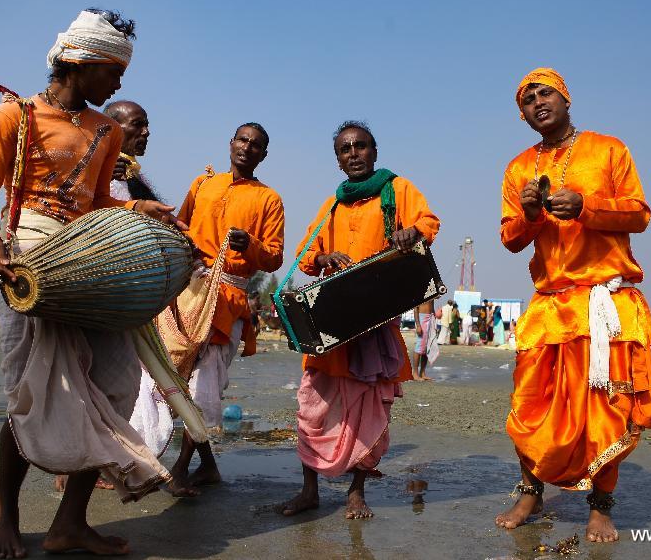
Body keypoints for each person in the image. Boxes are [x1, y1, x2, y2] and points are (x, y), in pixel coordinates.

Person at [0, 9, 185, 558]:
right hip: (28, 265)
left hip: (93, 264)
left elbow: (97, 202)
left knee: (113, 387)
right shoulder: (13, 116)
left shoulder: (106, 131)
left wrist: (138, 208)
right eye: (113, 69)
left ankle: (69, 524)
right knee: (29, 394)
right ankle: (5, 512)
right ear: (80, 62)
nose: (119, 82)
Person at [496, 68, 651, 543]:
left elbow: (639, 214)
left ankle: (600, 505)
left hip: (604, 301)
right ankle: (531, 491)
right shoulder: (518, 167)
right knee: (529, 403)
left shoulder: (609, 149)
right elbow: (509, 239)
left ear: (566, 99)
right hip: (550, 304)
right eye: (526, 100)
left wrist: (586, 205)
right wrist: (530, 214)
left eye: (545, 94)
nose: (537, 103)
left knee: (606, 407)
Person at [278, 120, 439, 519]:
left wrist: (410, 233)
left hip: (374, 322)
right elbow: (306, 250)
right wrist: (322, 258)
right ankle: (309, 490)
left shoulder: (398, 189)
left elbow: (429, 223)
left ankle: (356, 492)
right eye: (345, 149)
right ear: (337, 159)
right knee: (311, 408)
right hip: (331, 326)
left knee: (369, 410)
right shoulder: (331, 205)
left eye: (360, 146)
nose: (353, 154)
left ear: (374, 151)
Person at [156, 122, 284, 494]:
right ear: (231, 143)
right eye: (242, 139)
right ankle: (208, 466)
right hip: (187, 292)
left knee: (202, 387)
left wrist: (251, 245)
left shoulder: (269, 199)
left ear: (264, 154)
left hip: (228, 301)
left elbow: (274, 258)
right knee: (173, 378)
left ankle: (180, 469)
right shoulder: (202, 183)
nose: (247, 147)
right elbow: (180, 225)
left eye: (256, 144)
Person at [104, 100, 161, 203]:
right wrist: (103, 177)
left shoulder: (135, 175)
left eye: (146, 125)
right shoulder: (93, 170)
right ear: (111, 129)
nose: (146, 132)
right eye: (137, 124)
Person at [412, 300, 439, 381]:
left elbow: (432, 307)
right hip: (422, 317)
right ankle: (415, 373)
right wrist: (418, 325)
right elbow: (416, 309)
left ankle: (422, 372)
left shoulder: (431, 290)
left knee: (427, 347)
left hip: (430, 317)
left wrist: (434, 323)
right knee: (419, 347)